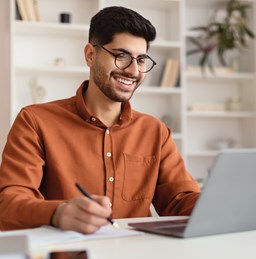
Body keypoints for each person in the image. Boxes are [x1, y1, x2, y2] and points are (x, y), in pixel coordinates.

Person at [0, 6, 201, 234]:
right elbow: (8, 203)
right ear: (90, 55)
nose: (134, 71)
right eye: (121, 56)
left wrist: (223, 204)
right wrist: (58, 213)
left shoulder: (156, 131)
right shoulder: (35, 121)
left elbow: (179, 201)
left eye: (141, 59)